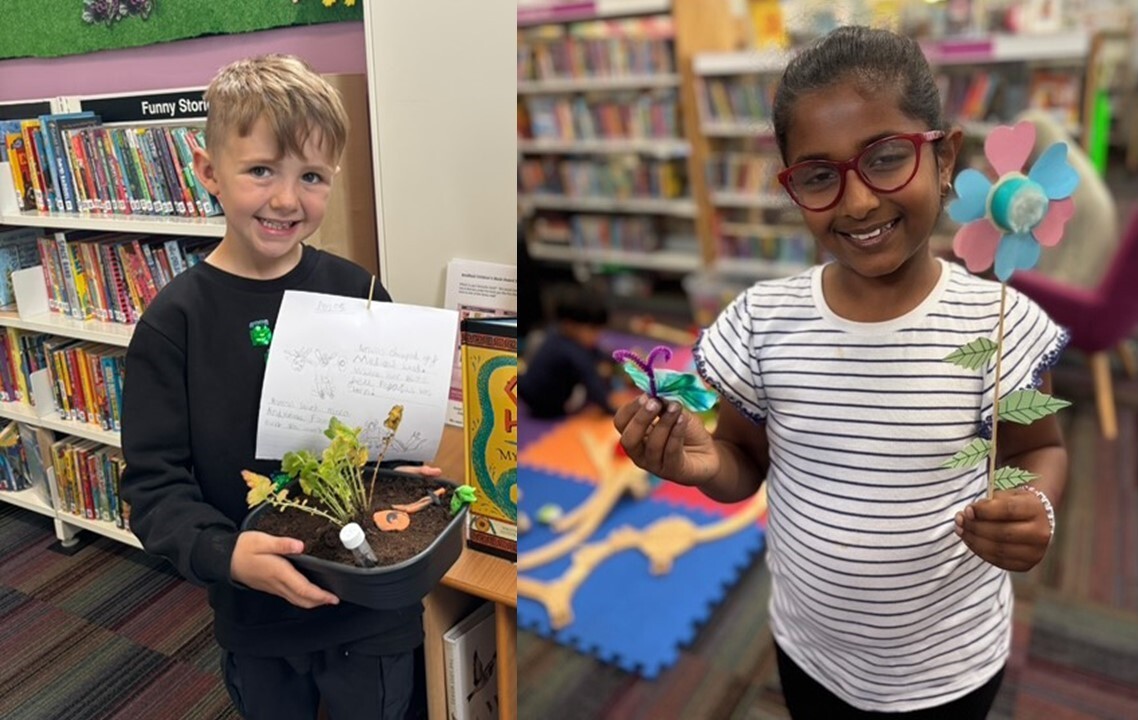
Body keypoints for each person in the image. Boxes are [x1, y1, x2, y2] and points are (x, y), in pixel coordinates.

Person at [614, 26, 1068, 718]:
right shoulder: (763, 322)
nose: (856, 203)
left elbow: (1038, 449)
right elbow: (743, 461)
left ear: (944, 157)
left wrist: (1035, 508)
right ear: (792, 189)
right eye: (820, 175)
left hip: (951, 665)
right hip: (811, 653)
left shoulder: (999, 325)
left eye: (886, 158)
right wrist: (705, 466)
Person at [120, 55, 437, 720]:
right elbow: (153, 486)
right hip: (257, 613)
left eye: (312, 177)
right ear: (209, 172)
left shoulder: (359, 289)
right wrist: (225, 554)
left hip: (370, 603)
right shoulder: (175, 323)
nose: (288, 199)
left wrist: (407, 472)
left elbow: (386, 430)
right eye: (261, 170)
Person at [519, 283, 616, 418]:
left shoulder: (555, 334)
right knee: (598, 379)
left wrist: (617, 358)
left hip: (529, 395)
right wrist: (612, 409)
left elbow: (596, 352)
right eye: (593, 329)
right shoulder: (572, 352)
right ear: (570, 325)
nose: (598, 335)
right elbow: (591, 381)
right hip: (551, 406)